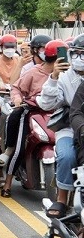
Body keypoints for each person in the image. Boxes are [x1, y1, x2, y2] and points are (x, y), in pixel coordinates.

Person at [0, 39, 59, 197]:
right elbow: (16, 87)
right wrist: (17, 99)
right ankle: (8, 182)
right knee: (19, 148)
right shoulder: (33, 71)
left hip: (58, 114)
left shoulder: (67, 74)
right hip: (32, 112)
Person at [37, 35, 84, 217]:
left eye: (83, 54)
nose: (80, 57)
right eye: (77, 53)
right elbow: (47, 104)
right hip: (70, 127)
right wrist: (54, 77)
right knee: (66, 156)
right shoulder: (64, 77)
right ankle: (62, 198)